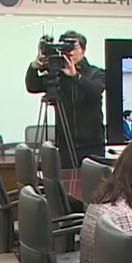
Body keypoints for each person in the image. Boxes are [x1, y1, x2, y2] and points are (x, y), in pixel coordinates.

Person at [24, 29, 105, 168]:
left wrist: (74, 75)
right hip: (65, 146)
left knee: (93, 181)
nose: (70, 52)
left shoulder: (96, 73)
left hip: (92, 146)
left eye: (74, 47)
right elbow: (32, 86)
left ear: (83, 50)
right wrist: (34, 67)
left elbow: (95, 90)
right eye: (65, 49)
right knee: (66, 180)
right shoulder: (58, 76)